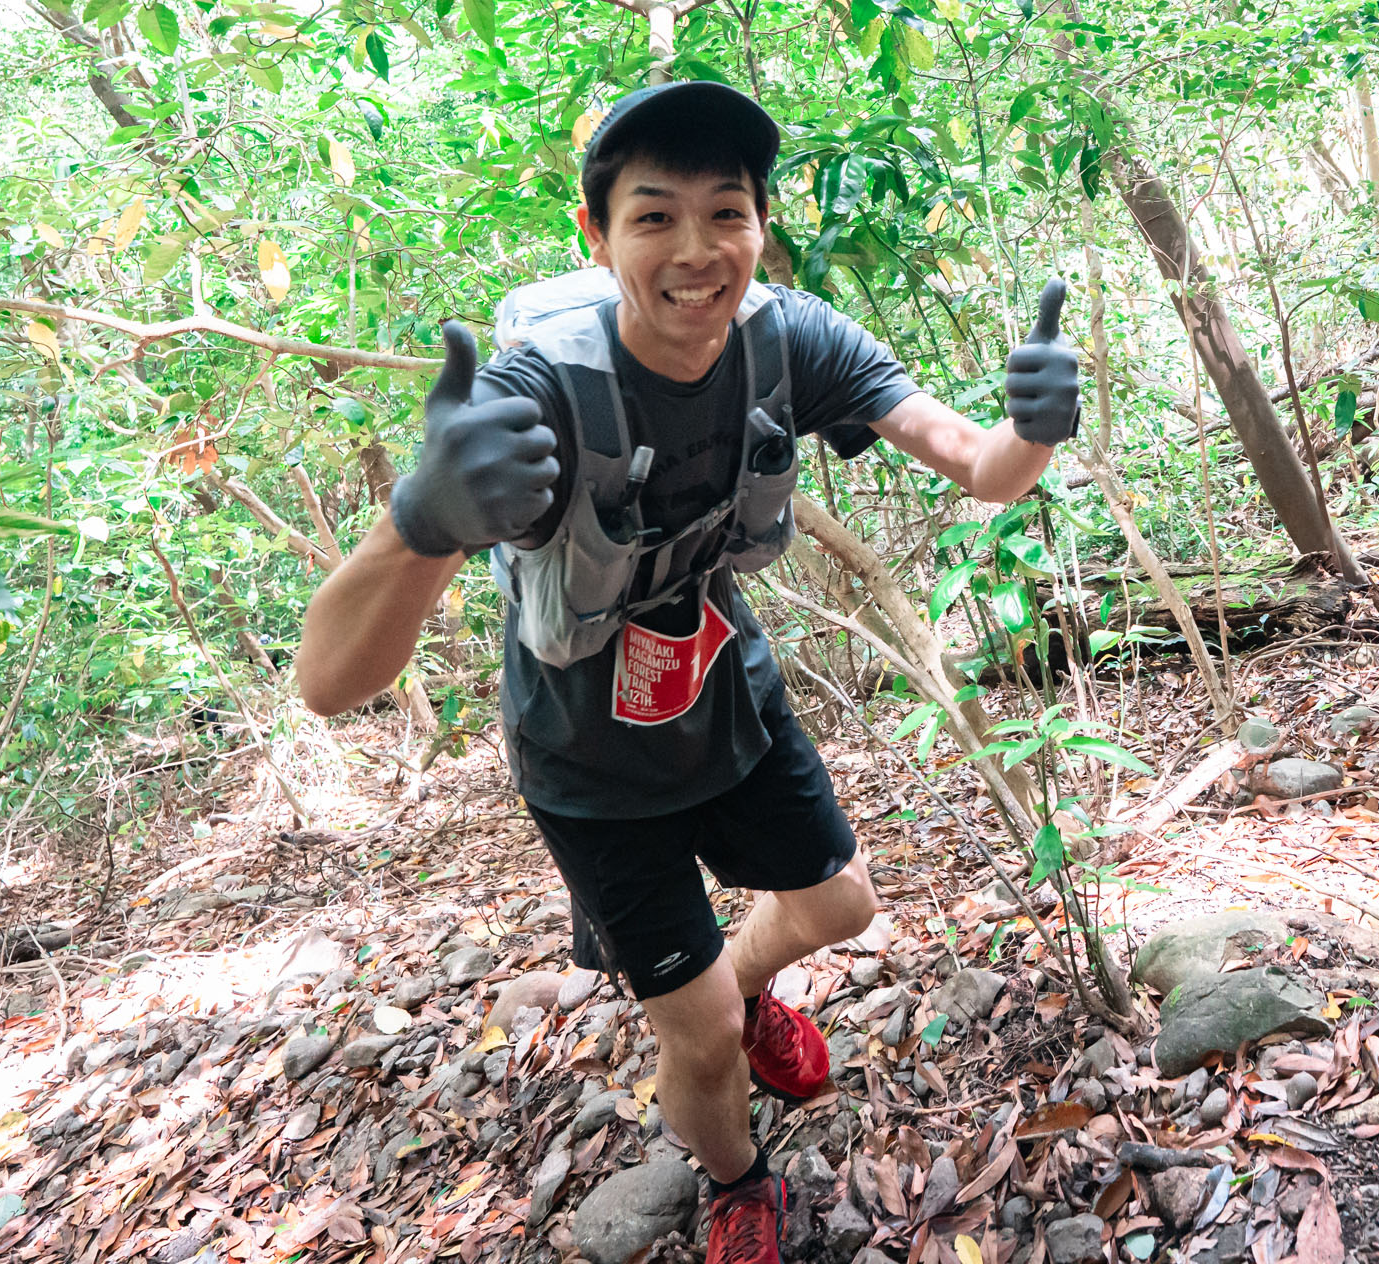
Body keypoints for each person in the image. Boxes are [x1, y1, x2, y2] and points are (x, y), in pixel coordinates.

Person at [295, 81, 1080, 1264]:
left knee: (841, 903)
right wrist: (423, 516)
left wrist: (1034, 430)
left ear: (761, 226)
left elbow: (979, 463)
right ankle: (737, 1178)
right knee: (700, 1035)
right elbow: (326, 681)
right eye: (654, 215)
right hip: (587, 758)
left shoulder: (788, 336)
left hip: (720, 686)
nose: (697, 249)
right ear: (596, 234)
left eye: (727, 211)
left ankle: (741, 988)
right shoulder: (536, 390)